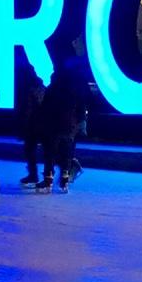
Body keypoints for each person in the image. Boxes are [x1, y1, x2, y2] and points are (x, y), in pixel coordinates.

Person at [37, 44, 92, 194]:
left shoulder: (54, 87)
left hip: (55, 126)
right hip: (69, 126)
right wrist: (81, 123)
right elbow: (81, 105)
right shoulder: (74, 86)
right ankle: (64, 181)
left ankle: (49, 180)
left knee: (50, 153)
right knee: (66, 154)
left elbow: (45, 107)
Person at [14, 56, 46, 188]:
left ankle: (35, 175)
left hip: (33, 124)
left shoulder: (28, 89)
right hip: (43, 123)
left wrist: (23, 126)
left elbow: (27, 109)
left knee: (30, 150)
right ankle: (45, 175)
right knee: (45, 150)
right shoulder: (41, 87)